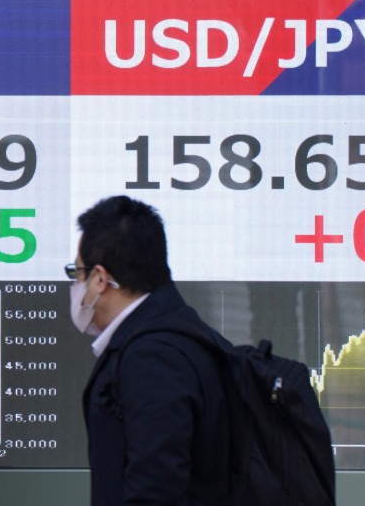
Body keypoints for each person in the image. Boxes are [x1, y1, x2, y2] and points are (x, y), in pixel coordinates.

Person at [68, 195, 231, 506]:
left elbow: (156, 491)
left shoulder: (152, 358)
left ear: (100, 279)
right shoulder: (177, 332)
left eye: (78, 274)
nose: (77, 286)